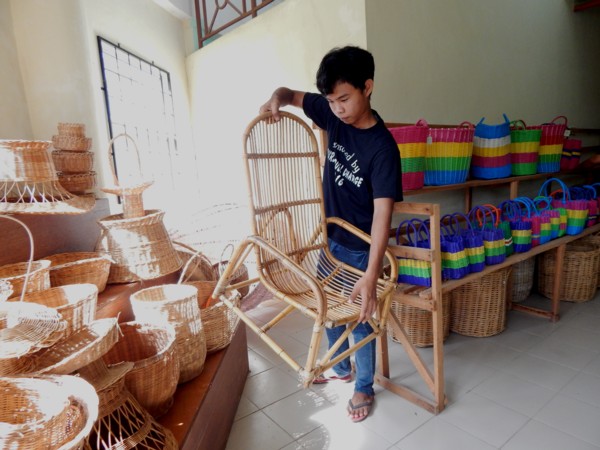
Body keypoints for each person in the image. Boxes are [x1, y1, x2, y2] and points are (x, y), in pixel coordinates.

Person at [259, 45, 403, 423]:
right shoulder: (331, 114)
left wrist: (371, 274)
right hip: (329, 242)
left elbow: (383, 215)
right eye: (331, 100)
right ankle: (340, 369)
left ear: (367, 87)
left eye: (344, 99)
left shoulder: (383, 149)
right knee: (326, 309)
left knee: (360, 319)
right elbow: (289, 94)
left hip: (360, 250)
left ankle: (363, 386)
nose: (337, 109)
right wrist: (275, 100)